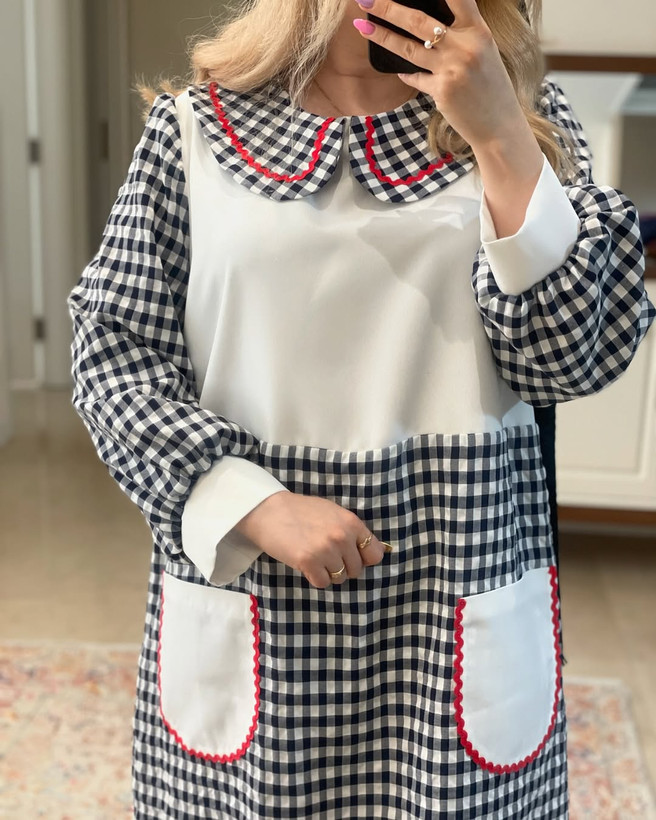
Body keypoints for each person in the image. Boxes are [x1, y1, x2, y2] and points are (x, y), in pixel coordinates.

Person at [66, 0, 655, 816]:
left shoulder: (523, 121)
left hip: (458, 596)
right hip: (263, 595)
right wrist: (250, 502)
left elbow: (570, 359)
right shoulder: (194, 133)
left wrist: (499, 137)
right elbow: (114, 353)